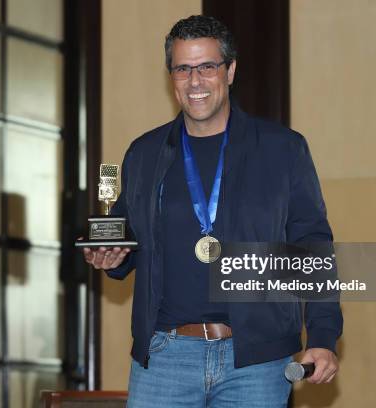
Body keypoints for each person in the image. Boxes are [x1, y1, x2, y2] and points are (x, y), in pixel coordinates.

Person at [83, 15, 343, 408]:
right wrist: (111, 256)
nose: (195, 81)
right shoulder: (144, 153)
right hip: (165, 358)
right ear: (171, 76)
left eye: (207, 67)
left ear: (230, 70)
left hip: (255, 361)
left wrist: (323, 337)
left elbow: (313, 248)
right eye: (182, 69)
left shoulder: (282, 149)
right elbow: (126, 239)